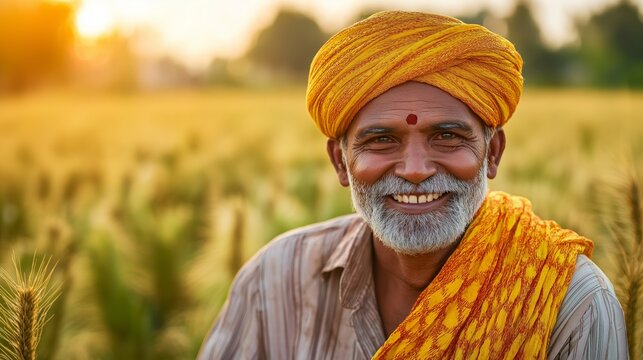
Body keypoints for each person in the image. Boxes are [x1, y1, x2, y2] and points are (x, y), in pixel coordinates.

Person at [199, 11, 628, 359]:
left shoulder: (569, 304)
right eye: (382, 140)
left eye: (447, 136)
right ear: (340, 161)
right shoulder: (274, 282)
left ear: (493, 152)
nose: (416, 169)